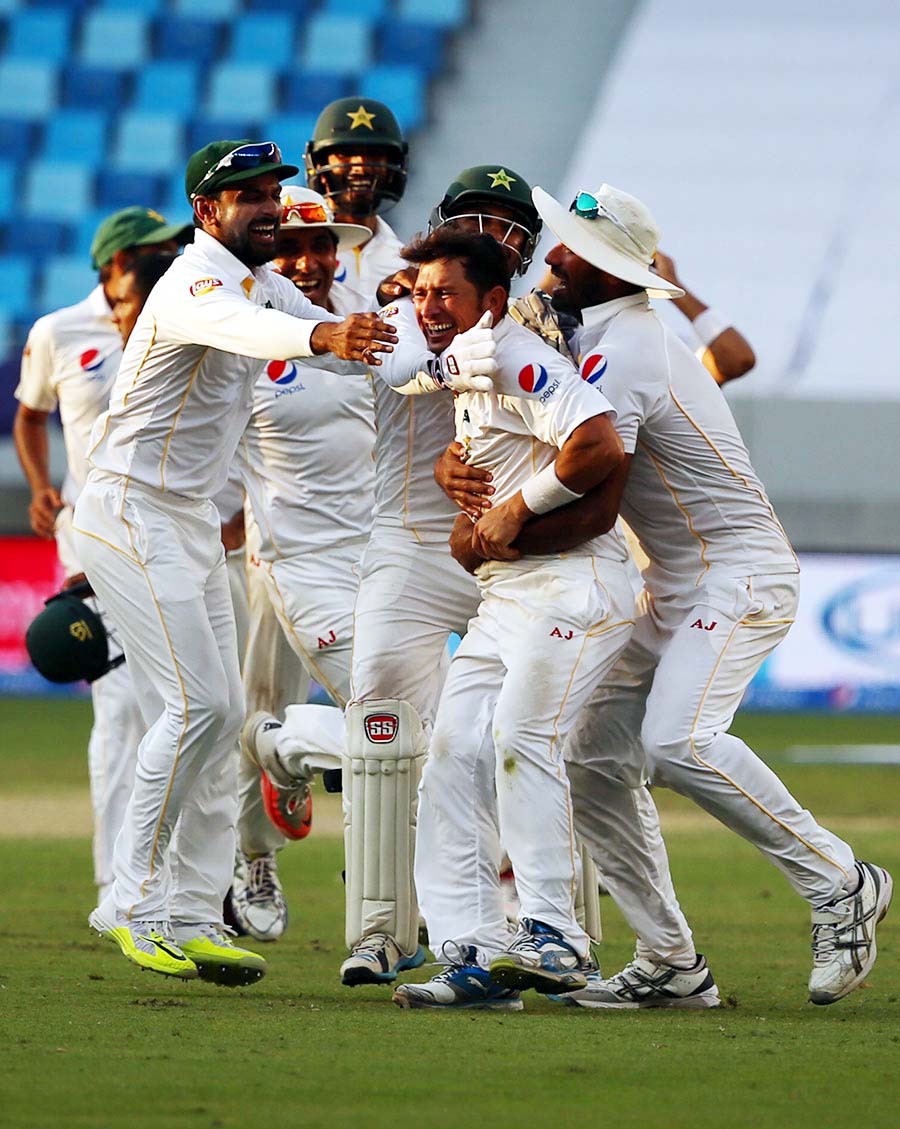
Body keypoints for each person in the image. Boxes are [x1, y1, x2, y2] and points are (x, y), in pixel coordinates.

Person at [449, 183, 893, 1008]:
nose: (552, 256)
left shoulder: (629, 347)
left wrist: (505, 514)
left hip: (739, 572)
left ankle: (842, 879)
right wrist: (462, 460)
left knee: (679, 740)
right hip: (671, 584)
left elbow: (597, 484)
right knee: (588, 756)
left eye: (571, 247)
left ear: (610, 268)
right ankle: (670, 961)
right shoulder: (598, 328)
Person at [72, 139, 398, 984]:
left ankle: (189, 909)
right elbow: (259, 331)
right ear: (206, 212)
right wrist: (329, 329)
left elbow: (324, 319)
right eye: (247, 195)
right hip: (131, 509)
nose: (267, 205)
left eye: (272, 191)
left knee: (215, 725)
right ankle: (129, 900)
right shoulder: (196, 282)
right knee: (198, 707)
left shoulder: (262, 279)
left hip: (187, 522)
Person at [386, 230, 634, 1010]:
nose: (427, 306)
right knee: (453, 748)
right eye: (419, 292)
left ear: (491, 301)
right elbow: (427, 389)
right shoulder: (471, 358)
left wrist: (515, 510)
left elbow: (598, 443)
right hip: (509, 594)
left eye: (444, 293)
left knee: (519, 738)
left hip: (573, 586)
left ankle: (555, 934)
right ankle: (476, 951)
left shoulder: (510, 352)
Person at [13, 210, 189, 903]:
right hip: (93, 540)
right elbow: (31, 413)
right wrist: (39, 486)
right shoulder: (59, 331)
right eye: (155, 251)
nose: (170, 257)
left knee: (181, 706)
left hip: (176, 536)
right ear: (116, 261)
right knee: (119, 708)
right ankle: (119, 877)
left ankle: (184, 875)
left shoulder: (183, 317)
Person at [228, 185, 376, 941]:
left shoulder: (365, 315)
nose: (312, 261)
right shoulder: (246, 330)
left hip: (376, 556)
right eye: (294, 245)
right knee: (268, 697)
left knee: (386, 716)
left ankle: (285, 753)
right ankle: (256, 857)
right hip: (283, 559)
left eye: (323, 245)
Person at [304, 97, 408, 295]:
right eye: (345, 153)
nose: (361, 167)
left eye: (375, 154)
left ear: (394, 166)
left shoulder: (404, 262)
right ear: (318, 165)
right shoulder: (293, 254)